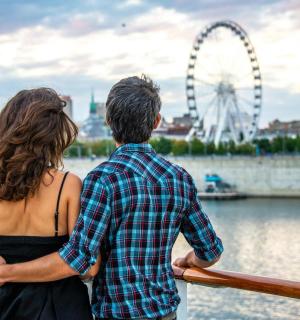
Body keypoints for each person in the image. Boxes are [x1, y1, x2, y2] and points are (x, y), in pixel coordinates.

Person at [0, 76, 223, 320]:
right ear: (156, 122)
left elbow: (81, 258)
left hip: (115, 313)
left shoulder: (102, 179)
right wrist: (189, 259)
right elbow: (211, 251)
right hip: (165, 312)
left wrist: (8, 271)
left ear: (109, 121)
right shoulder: (180, 179)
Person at [0, 88, 99, 319]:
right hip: (59, 308)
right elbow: (89, 267)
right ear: (54, 135)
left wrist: (6, 272)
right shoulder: (68, 185)